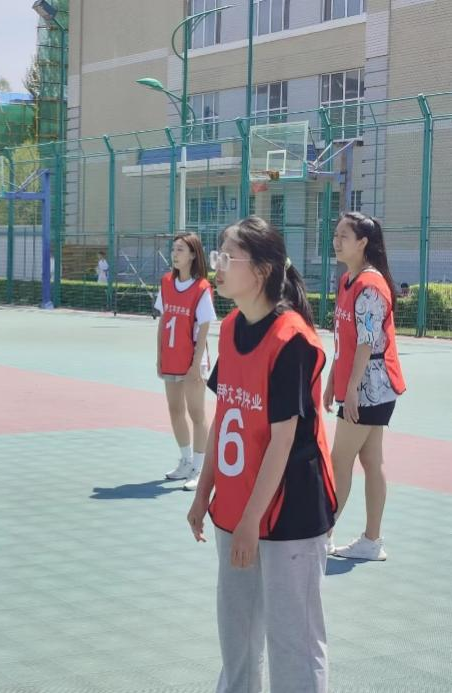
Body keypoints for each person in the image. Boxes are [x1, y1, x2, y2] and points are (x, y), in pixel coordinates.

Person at [188, 216, 337, 693]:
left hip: (289, 512)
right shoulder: (232, 326)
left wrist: (252, 520)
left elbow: (283, 439)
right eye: (217, 255)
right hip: (236, 506)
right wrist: (204, 492)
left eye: (227, 257)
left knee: (293, 641)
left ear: (262, 270)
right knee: (237, 636)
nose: (217, 265)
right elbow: (225, 415)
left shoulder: (292, 339)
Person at [324, 212, 405, 561]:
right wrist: (333, 380)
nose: (336, 241)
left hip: (372, 387)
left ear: (362, 243)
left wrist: (352, 389)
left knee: (339, 460)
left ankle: (322, 536)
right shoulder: (348, 279)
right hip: (361, 384)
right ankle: (372, 541)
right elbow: (344, 338)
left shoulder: (370, 286)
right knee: (371, 460)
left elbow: (366, 342)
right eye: (336, 234)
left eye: (344, 236)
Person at [153, 233, 215, 491]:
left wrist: (196, 364)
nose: (175, 254)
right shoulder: (166, 283)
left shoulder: (201, 288)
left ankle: (200, 468)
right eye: (173, 249)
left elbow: (204, 328)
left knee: (197, 413)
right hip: (171, 356)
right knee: (175, 409)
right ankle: (186, 461)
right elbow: (163, 320)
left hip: (192, 361)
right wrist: (159, 356)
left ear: (192, 255)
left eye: (180, 249)